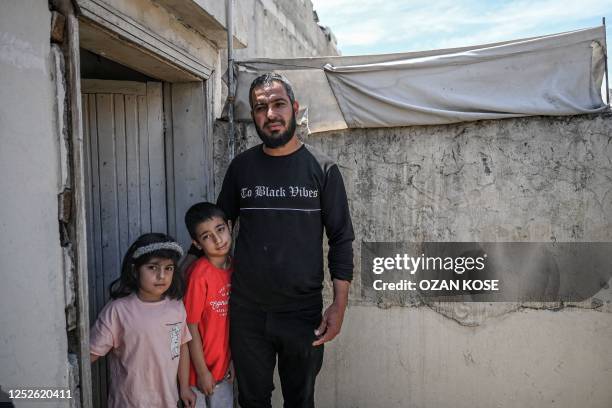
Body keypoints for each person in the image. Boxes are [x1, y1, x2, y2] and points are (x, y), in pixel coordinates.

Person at [217, 72, 354, 408]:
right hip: (247, 312)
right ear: (254, 116)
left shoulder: (323, 170)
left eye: (278, 104)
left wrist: (339, 304)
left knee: (300, 401)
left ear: (293, 108)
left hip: (302, 313)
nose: (270, 114)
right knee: (251, 401)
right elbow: (218, 227)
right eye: (260, 108)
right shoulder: (241, 168)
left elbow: (341, 239)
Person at [89, 233, 196, 408]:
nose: (162, 275)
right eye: (153, 267)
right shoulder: (118, 310)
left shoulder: (176, 308)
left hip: (167, 401)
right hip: (129, 402)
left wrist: (184, 388)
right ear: (134, 270)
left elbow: (180, 346)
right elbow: (89, 354)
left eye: (168, 268)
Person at [183, 202, 234, 408]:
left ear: (229, 226)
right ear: (196, 244)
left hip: (224, 370)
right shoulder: (199, 275)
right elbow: (190, 326)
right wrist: (202, 371)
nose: (217, 239)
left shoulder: (236, 268)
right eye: (206, 236)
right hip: (198, 375)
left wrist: (233, 360)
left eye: (220, 230)